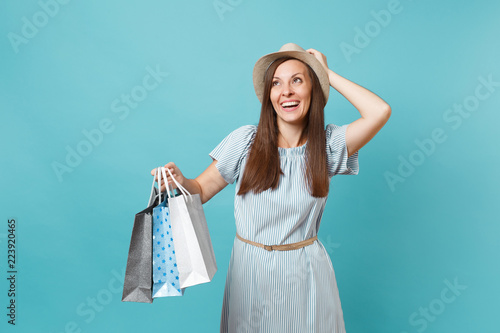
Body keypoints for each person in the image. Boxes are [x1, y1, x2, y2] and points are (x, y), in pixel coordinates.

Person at [151, 43, 391, 332]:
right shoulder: (245, 141)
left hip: (306, 273)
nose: (286, 91)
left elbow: (379, 111)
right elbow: (200, 190)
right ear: (268, 96)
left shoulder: (327, 146)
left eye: (297, 80)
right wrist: (178, 180)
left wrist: (325, 72)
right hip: (249, 271)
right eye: (276, 83)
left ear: (313, 89)